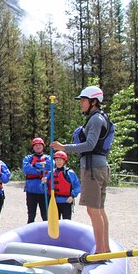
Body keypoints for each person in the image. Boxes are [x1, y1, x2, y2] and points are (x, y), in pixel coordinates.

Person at [51, 85, 113, 253]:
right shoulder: (101, 117)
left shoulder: (95, 119)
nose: (82, 104)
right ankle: (104, 249)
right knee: (99, 209)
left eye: (84, 101)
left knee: (93, 210)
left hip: (93, 169)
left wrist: (64, 147)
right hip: (99, 166)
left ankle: (100, 252)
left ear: (94, 102)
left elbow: (90, 144)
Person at [43, 151, 81, 220]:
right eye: (57, 160)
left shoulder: (69, 173)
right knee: (54, 222)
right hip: (53, 202)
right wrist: (43, 183)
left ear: (64, 161)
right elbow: (43, 188)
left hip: (66, 201)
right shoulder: (51, 173)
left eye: (60, 160)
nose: (58, 162)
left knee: (66, 223)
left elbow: (77, 186)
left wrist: (72, 196)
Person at [22, 137, 52, 223]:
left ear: (43, 146)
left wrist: (34, 165)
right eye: (36, 145)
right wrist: (41, 169)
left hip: (44, 191)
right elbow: (26, 169)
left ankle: (47, 235)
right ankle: (30, 235)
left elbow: (50, 166)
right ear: (33, 147)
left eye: (40, 145)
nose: (38, 147)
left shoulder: (48, 158)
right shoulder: (28, 158)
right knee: (31, 215)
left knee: (46, 216)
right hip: (31, 190)